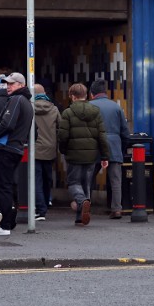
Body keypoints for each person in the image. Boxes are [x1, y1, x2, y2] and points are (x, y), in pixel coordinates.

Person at [0, 72, 33, 236]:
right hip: (16, 149)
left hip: (6, 148)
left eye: (12, 84)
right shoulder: (27, 102)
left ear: (21, 85)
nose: (8, 86)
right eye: (7, 83)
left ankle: (4, 224)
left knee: (2, 185)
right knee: (5, 184)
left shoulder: (16, 100)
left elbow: (7, 123)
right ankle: (1, 216)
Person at [56, 82, 110, 227]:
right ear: (86, 95)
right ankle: (80, 217)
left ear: (72, 96)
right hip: (92, 156)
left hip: (74, 155)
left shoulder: (67, 113)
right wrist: (105, 156)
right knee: (86, 184)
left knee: (74, 183)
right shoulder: (96, 111)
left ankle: (81, 201)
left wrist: (63, 149)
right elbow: (102, 135)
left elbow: (63, 135)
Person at [89, 80, 132, 219]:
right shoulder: (116, 107)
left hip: (94, 145)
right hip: (114, 145)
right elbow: (125, 132)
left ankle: (85, 206)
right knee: (115, 179)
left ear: (92, 94)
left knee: (89, 177)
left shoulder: (89, 106)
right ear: (105, 93)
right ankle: (117, 209)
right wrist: (121, 146)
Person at [32, 83, 60, 220]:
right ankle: (45, 204)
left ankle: (40, 209)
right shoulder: (54, 109)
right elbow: (60, 128)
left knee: (36, 180)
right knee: (47, 179)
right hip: (50, 149)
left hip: (35, 149)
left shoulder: (29, 108)